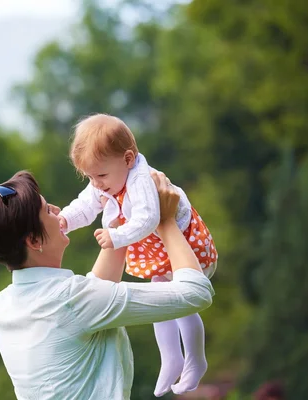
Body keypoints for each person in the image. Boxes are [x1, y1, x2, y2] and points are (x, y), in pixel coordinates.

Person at [0, 169, 214, 400]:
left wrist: (124, 224)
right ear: (34, 241)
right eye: (46, 210)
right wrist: (166, 221)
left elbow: (91, 294)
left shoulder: (3, 306)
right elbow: (196, 293)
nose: (57, 210)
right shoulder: (72, 302)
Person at [58, 114, 218, 396]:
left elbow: (148, 218)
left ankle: (195, 358)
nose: (96, 184)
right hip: (160, 248)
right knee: (163, 303)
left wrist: (116, 237)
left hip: (186, 246)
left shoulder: (140, 180)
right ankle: (171, 359)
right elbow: (85, 206)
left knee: (183, 306)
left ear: (128, 159)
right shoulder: (106, 179)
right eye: (90, 177)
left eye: (101, 176)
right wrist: (66, 221)